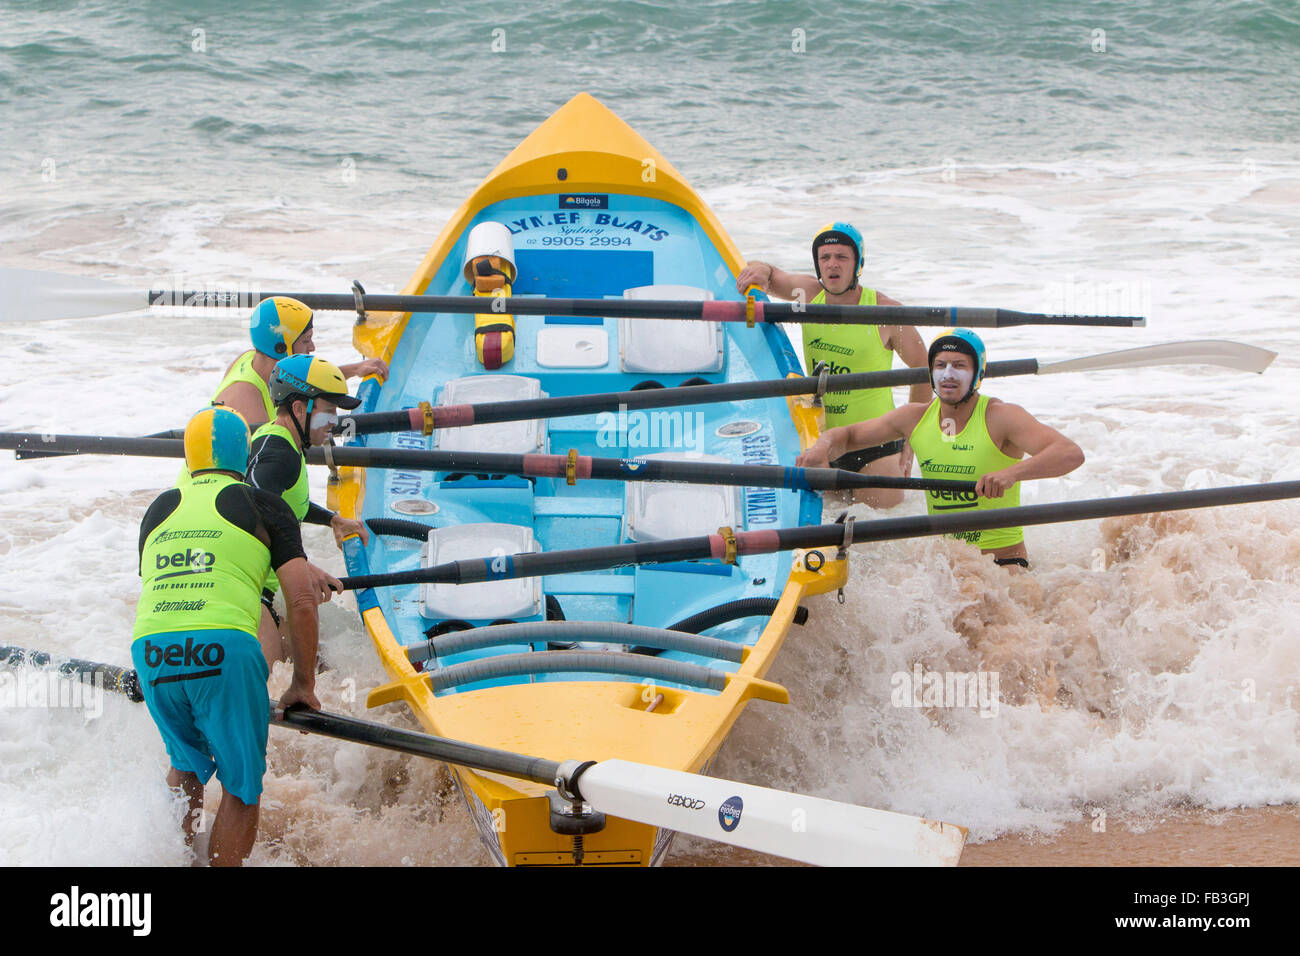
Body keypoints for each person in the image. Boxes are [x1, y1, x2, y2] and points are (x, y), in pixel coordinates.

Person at [131, 406, 321, 866]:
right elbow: (301, 600)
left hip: (150, 647)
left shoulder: (158, 508)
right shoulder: (266, 506)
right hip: (225, 652)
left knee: (186, 767)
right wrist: (303, 684)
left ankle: (175, 859)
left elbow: (155, 587)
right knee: (240, 787)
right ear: (245, 454)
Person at [796, 329, 1084, 569]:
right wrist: (821, 448)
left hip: (1004, 566)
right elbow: (846, 435)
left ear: (978, 374)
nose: (948, 374)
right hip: (945, 565)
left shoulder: (1001, 417)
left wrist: (1011, 474)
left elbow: (1069, 453)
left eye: (959, 365)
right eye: (940, 365)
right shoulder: (915, 417)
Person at [736, 222, 930, 508]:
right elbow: (769, 274)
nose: (832, 265)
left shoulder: (886, 311)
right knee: (824, 537)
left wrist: (914, 436)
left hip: (878, 448)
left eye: (842, 257)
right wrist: (762, 269)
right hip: (821, 444)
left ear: (858, 265)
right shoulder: (808, 295)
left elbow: (923, 370)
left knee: (881, 542)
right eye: (825, 257)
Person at [246, 355, 369, 665]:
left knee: (322, 669)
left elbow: (281, 504)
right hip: (254, 594)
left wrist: (331, 519)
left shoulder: (282, 442)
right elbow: (250, 507)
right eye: (327, 412)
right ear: (300, 409)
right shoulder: (278, 453)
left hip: (270, 587)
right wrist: (301, 567)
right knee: (276, 692)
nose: (334, 422)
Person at [212, 296, 388, 432]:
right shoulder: (248, 402)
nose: (312, 347)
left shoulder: (253, 359)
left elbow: (305, 379)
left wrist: (356, 369)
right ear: (281, 348)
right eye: (306, 341)